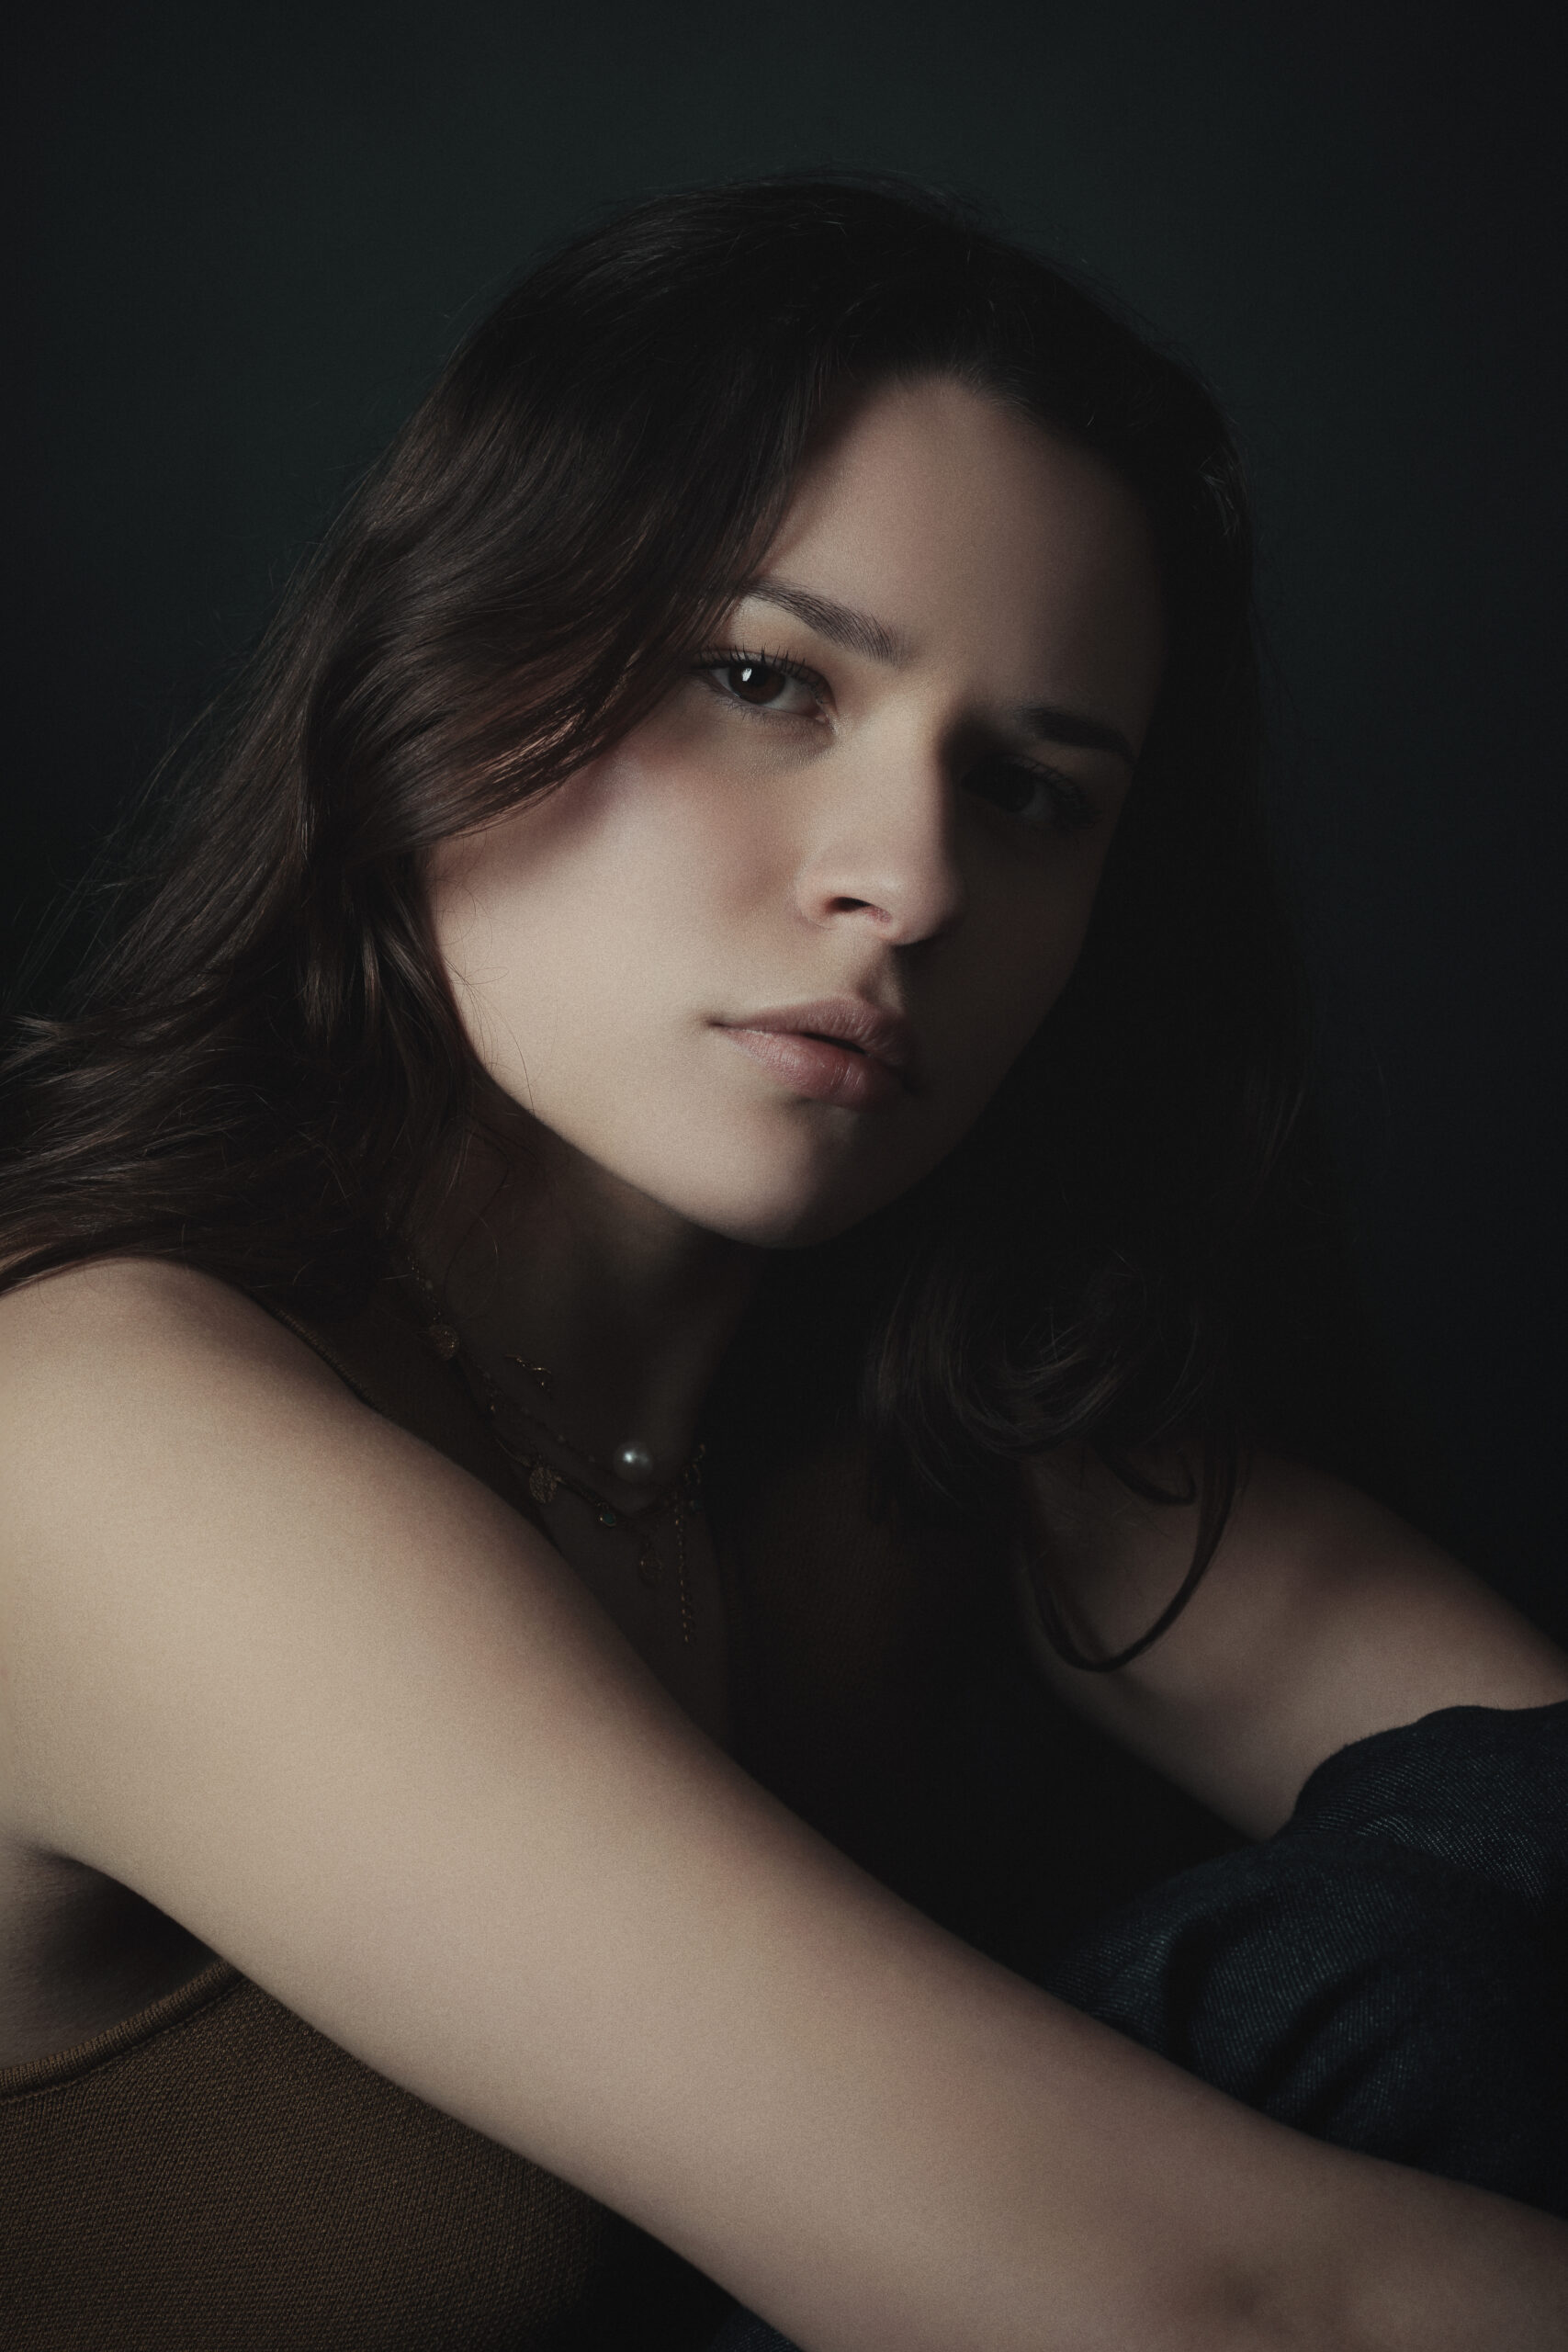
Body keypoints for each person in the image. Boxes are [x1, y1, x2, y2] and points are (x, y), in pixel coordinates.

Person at [1, 176, 1564, 2352]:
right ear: (430, 664)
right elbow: (1215, 2304)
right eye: (762, 678)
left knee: (1421, 1964)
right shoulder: (90, 1441)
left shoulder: (917, 1422)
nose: (909, 882)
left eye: (1029, 790)